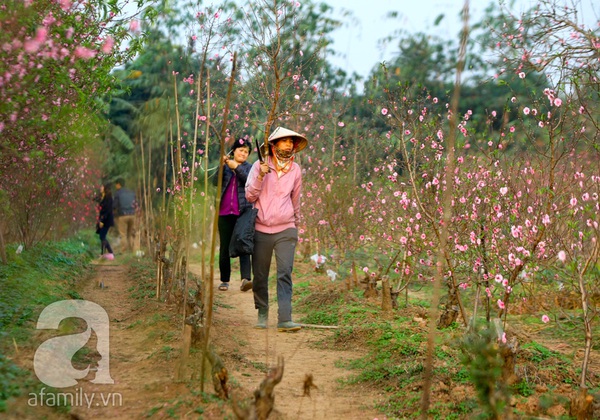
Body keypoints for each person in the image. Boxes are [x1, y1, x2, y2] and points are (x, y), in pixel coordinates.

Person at [245, 126, 308, 332]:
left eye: (291, 141)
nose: (289, 144)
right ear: (273, 145)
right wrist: (260, 176)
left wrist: (296, 225)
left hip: (286, 228)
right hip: (261, 229)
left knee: (284, 273)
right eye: (284, 141)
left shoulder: (295, 170)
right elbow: (249, 196)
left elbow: (295, 199)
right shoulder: (259, 166)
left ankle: (285, 318)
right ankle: (262, 312)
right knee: (260, 275)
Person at [213, 138, 253, 292]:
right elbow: (215, 183)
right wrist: (222, 165)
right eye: (241, 150)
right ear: (233, 151)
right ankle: (224, 280)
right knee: (224, 247)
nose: (243, 153)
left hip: (242, 212)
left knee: (243, 245)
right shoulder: (226, 166)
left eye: (246, 152)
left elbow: (248, 181)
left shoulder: (249, 168)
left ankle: (245, 279)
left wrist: (236, 167)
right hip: (224, 212)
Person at [113, 179, 137, 253]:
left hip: (123, 215)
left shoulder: (118, 193)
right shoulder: (131, 192)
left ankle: (124, 250)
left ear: (118, 184)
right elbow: (136, 203)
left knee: (123, 234)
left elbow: (114, 205)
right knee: (130, 233)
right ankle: (132, 250)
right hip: (132, 215)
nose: (115, 186)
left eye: (116, 184)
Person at [96, 184, 115, 259]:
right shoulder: (102, 197)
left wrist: (102, 220)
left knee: (102, 236)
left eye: (102, 187)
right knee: (102, 236)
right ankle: (107, 253)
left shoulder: (108, 198)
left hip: (106, 219)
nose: (100, 188)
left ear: (105, 188)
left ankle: (109, 253)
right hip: (102, 219)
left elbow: (108, 210)